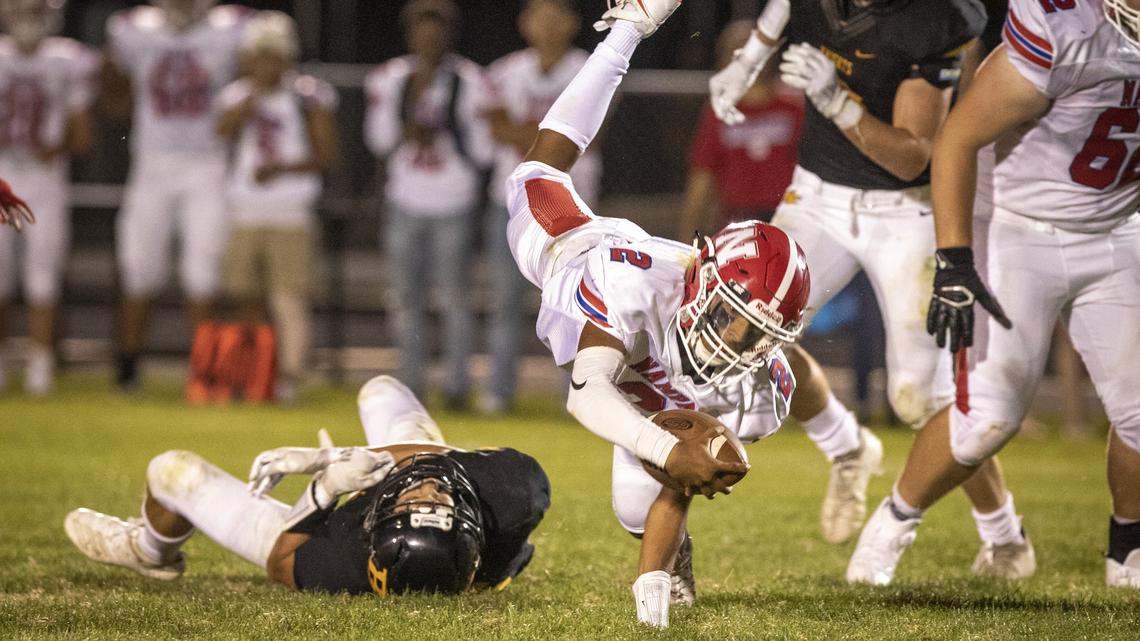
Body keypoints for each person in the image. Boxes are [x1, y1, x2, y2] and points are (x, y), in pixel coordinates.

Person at [707, 0, 1035, 577]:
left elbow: (912, 157)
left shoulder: (935, 18)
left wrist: (837, 102)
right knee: (742, 334)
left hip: (902, 212)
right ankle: (847, 446)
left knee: (924, 401)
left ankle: (1006, 536)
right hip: (815, 197)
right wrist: (749, 58)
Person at [505, 0, 806, 627]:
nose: (737, 340)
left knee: (634, 507)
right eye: (732, 317)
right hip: (577, 256)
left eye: (759, 333)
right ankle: (626, 31)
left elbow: (690, 450)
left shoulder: (761, 384)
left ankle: (674, 555)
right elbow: (587, 394)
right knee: (534, 172)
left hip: (656, 339)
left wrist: (680, 462)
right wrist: (665, 450)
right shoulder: (631, 284)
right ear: (706, 281)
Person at [846, 0, 1140, 588]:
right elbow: (957, 139)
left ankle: (1129, 552)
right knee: (987, 419)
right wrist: (954, 262)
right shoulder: (1066, 26)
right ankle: (891, 525)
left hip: (1118, 227)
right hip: (1018, 227)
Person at [63, 375, 551, 595]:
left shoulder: (345, 562)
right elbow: (433, 459)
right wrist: (331, 456)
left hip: (326, 519)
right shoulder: (511, 493)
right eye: (437, 497)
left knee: (172, 471)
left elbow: (281, 560)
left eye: (415, 498)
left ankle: (150, 549)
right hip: (437, 517)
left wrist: (323, 489)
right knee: (381, 390)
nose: (428, 487)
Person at [102, 0, 250, 392]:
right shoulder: (134, 27)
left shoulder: (232, 27)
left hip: (207, 164)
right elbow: (115, 101)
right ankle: (127, 369)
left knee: (202, 273)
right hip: (152, 163)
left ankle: (206, 373)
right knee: (138, 268)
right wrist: (112, 72)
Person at [365, 0, 493, 408]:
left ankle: (456, 386)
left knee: (454, 298)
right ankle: (411, 384)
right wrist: (407, 120)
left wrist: (446, 130)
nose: (429, 38)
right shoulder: (391, 78)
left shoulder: (469, 80)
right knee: (406, 298)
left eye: (437, 29)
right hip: (406, 199)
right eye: (422, 29)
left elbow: (485, 150)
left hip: (453, 200)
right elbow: (379, 141)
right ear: (410, 34)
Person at [480, 0, 599, 415]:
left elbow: (594, 135)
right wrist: (554, 133)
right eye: (539, 17)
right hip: (513, 206)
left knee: (578, 304)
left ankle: (578, 394)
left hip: (573, 209)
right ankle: (498, 391)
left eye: (556, 17)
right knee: (505, 304)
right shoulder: (504, 70)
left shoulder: (589, 67)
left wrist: (532, 133)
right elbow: (497, 130)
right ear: (524, 24)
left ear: (572, 23)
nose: (547, 26)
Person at [215, 11, 339, 405]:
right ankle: (253, 374)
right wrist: (248, 103)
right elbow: (220, 132)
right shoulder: (236, 95)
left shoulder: (308, 95)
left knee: (289, 298)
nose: (265, 64)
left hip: (290, 211)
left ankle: (288, 379)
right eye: (258, 55)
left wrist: (282, 168)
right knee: (243, 296)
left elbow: (327, 153)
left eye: (272, 55)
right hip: (244, 210)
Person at [0, 0, 95, 396]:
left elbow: (82, 133)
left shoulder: (68, 58)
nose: (26, 20)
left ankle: (41, 365)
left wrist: (51, 151)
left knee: (42, 276)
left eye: (34, 11)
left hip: (44, 178)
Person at [676, 19, 802, 239]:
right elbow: (701, 178)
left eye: (752, 44)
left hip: (790, 220)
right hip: (737, 223)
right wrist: (688, 240)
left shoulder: (795, 107)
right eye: (736, 46)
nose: (746, 53)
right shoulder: (718, 113)